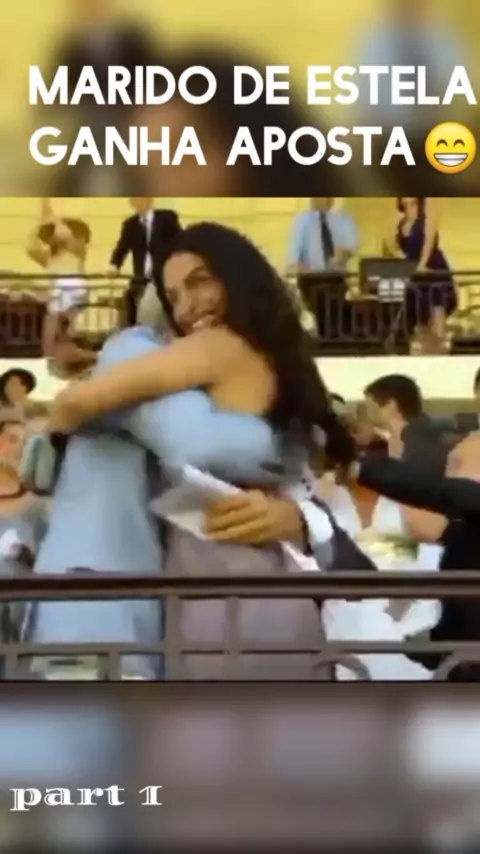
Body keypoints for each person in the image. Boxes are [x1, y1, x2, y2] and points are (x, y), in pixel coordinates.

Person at [26, 223, 355, 680]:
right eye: (174, 297)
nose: (187, 307)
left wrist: (66, 419)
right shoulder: (282, 368)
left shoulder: (216, 346)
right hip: (265, 588)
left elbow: (83, 401)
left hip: (221, 588)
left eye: (200, 282)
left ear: (238, 276)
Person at [358, 433, 480, 681]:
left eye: (456, 465)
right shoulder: (465, 531)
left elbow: (437, 493)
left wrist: (361, 466)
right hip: (451, 650)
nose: (449, 474)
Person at [26, 199, 96, 378]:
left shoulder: (76, 250)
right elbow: (31, 248)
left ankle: (58, 352)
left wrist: (50, 215)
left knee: (58, 319)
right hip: (59, 295)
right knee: (52, 321)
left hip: (73, 291)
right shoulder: (50, 257)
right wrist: (40, 225)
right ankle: (51, 355)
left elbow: (65, 235)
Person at [384, 198, 456, 353]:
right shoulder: (401, 221)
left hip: (432, 266)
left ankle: (441, 349)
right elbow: (392, 246)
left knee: (436, 305)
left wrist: (422, 264)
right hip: (414, 270)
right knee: (420, 318)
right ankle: (425, 352)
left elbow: (429, 241)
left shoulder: (427, 212)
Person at [107, 198, 181, 327]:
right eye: (135, 201)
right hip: (141, 277)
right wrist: (114, 265)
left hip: (163, 275)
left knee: (157, 311)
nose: (138, 203)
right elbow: (122, 248)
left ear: (149, 201)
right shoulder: (130, 224)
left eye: (141, 199)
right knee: (136, 307)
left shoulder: (166, 218)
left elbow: (179, 241)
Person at [364, 373, 449, 478]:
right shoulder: (398, 438)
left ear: (391, 405)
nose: (368, 412)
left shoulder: (420, 441)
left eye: (370, 405)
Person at [287, 198, 358, 276]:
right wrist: (305, 270)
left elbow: (352, 249)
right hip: (310, 278)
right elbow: (293, 260)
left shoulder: (345, 219)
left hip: (338, 277)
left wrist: (343, 255)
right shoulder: (301, 222)